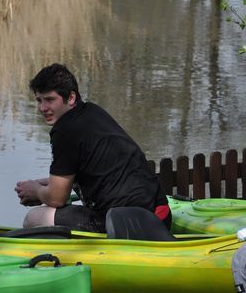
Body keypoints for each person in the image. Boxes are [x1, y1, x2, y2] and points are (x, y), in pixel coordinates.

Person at [14, 63, 171, 233]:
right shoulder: (93, 113)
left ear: (71, 98)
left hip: (126, 224)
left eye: (50, 100)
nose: (43, 108)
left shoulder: (65, 130)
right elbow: (84, 173)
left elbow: (57, 198)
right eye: (39, 100)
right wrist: (41, 184)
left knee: (34, 218)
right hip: (160, 217)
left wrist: (36, 191)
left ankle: (66, 257)